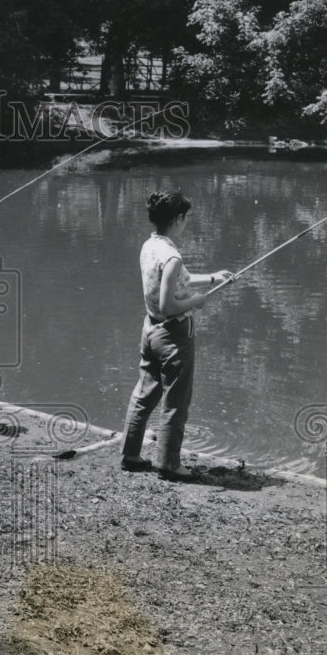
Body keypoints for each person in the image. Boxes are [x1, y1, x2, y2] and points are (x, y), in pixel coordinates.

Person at [120, 191, 234, 481]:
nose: (186, 224)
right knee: (176, 401)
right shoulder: (171, 255)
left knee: (143, 394)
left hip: (150, 331)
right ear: (178, 218)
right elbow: (168, 305)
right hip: (173, 336)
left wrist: (212, 278)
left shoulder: (150, 246)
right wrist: (195, 302)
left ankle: (130, 456)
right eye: (186, 219)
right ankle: (169, 464)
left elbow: (173, 281)